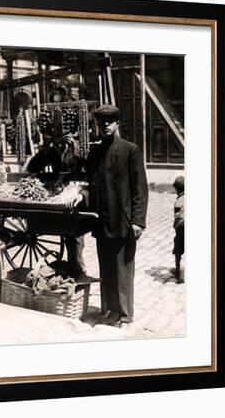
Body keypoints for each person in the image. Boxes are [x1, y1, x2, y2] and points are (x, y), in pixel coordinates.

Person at [75, 105, 148, 329]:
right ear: (97, 125)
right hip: (102, 221)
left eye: (109, 121)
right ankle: (111, 309)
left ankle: (125, 316)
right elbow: (89, 183)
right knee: (106, 267)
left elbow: (140, 189)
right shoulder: (95, 153)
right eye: (101, 122)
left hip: (123, 221)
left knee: (123, 269)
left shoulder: (130, 150)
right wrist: (81, 195)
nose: (105, 125)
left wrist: (138, 220)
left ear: (117, 124)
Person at [27, 133, 91, 281]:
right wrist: (47, 149)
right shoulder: (51, 151)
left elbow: (89, 170)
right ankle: (71, 272)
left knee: (74, 238)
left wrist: (77, 151)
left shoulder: (79, 151)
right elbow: (32, 167)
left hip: (74, 196)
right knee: (68, 235)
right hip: (56, 197)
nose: (62, 144)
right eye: (58, 140)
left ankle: (78, 272)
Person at [171, 176, 185, 283]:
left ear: (176, 189)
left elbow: (178, 217)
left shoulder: (178, 201)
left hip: (182, 227)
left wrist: (174, 226)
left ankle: (179, 273)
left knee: (178, 248)